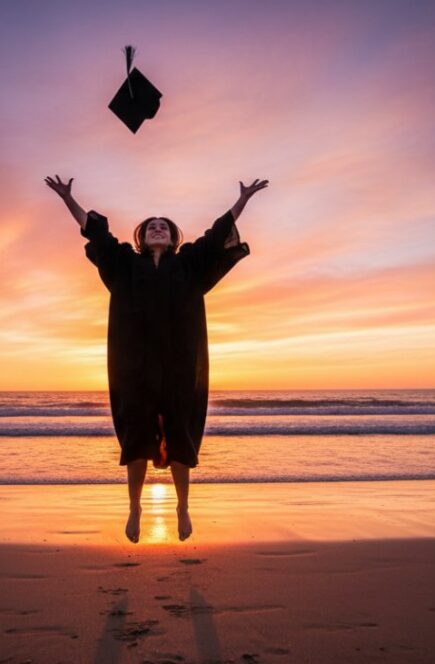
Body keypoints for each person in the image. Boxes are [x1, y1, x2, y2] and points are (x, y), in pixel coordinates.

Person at [45, 175, 268, 542]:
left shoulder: (189, 265)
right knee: (135, 438)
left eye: (164, 226)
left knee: (180, 437)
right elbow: (96, 234)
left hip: (180, 367)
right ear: (142, 237)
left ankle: (182, 506)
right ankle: (134, 507)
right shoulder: (124, 266)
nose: (158, 228)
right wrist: (69, 199)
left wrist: (242, 200)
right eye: (152, 226)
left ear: (173, 236)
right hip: (135, 369)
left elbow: (216, 236)